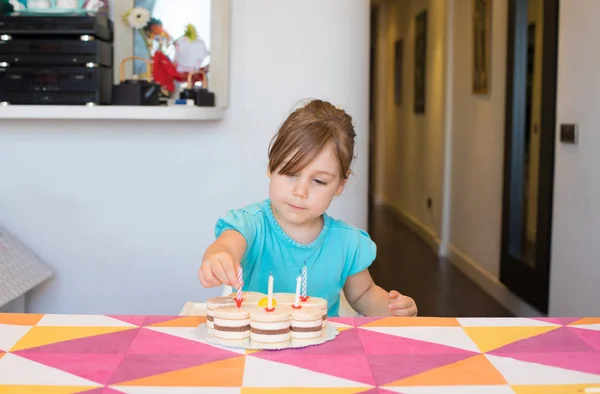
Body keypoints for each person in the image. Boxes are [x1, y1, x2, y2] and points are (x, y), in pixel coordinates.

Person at [198, 99, 417, 317]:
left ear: (341, 184)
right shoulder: (251, 225)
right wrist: (219, 256)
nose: (300, 192)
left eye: (319, 181)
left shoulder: (346, 242)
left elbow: (363, 295)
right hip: (257, 346)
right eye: (291, 173)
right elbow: (226, 246)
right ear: (271, 165)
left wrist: (392, 309)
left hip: (321, 349)